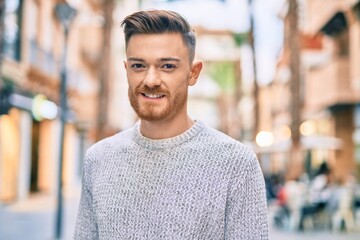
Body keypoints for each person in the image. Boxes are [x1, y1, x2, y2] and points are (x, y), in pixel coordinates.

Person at [74, 9, 269, 239]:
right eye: (139, 66)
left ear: (193, 73)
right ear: (126, 70)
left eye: (167, 66)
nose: (151, 80)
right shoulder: (98, 159)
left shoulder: (237, 165)